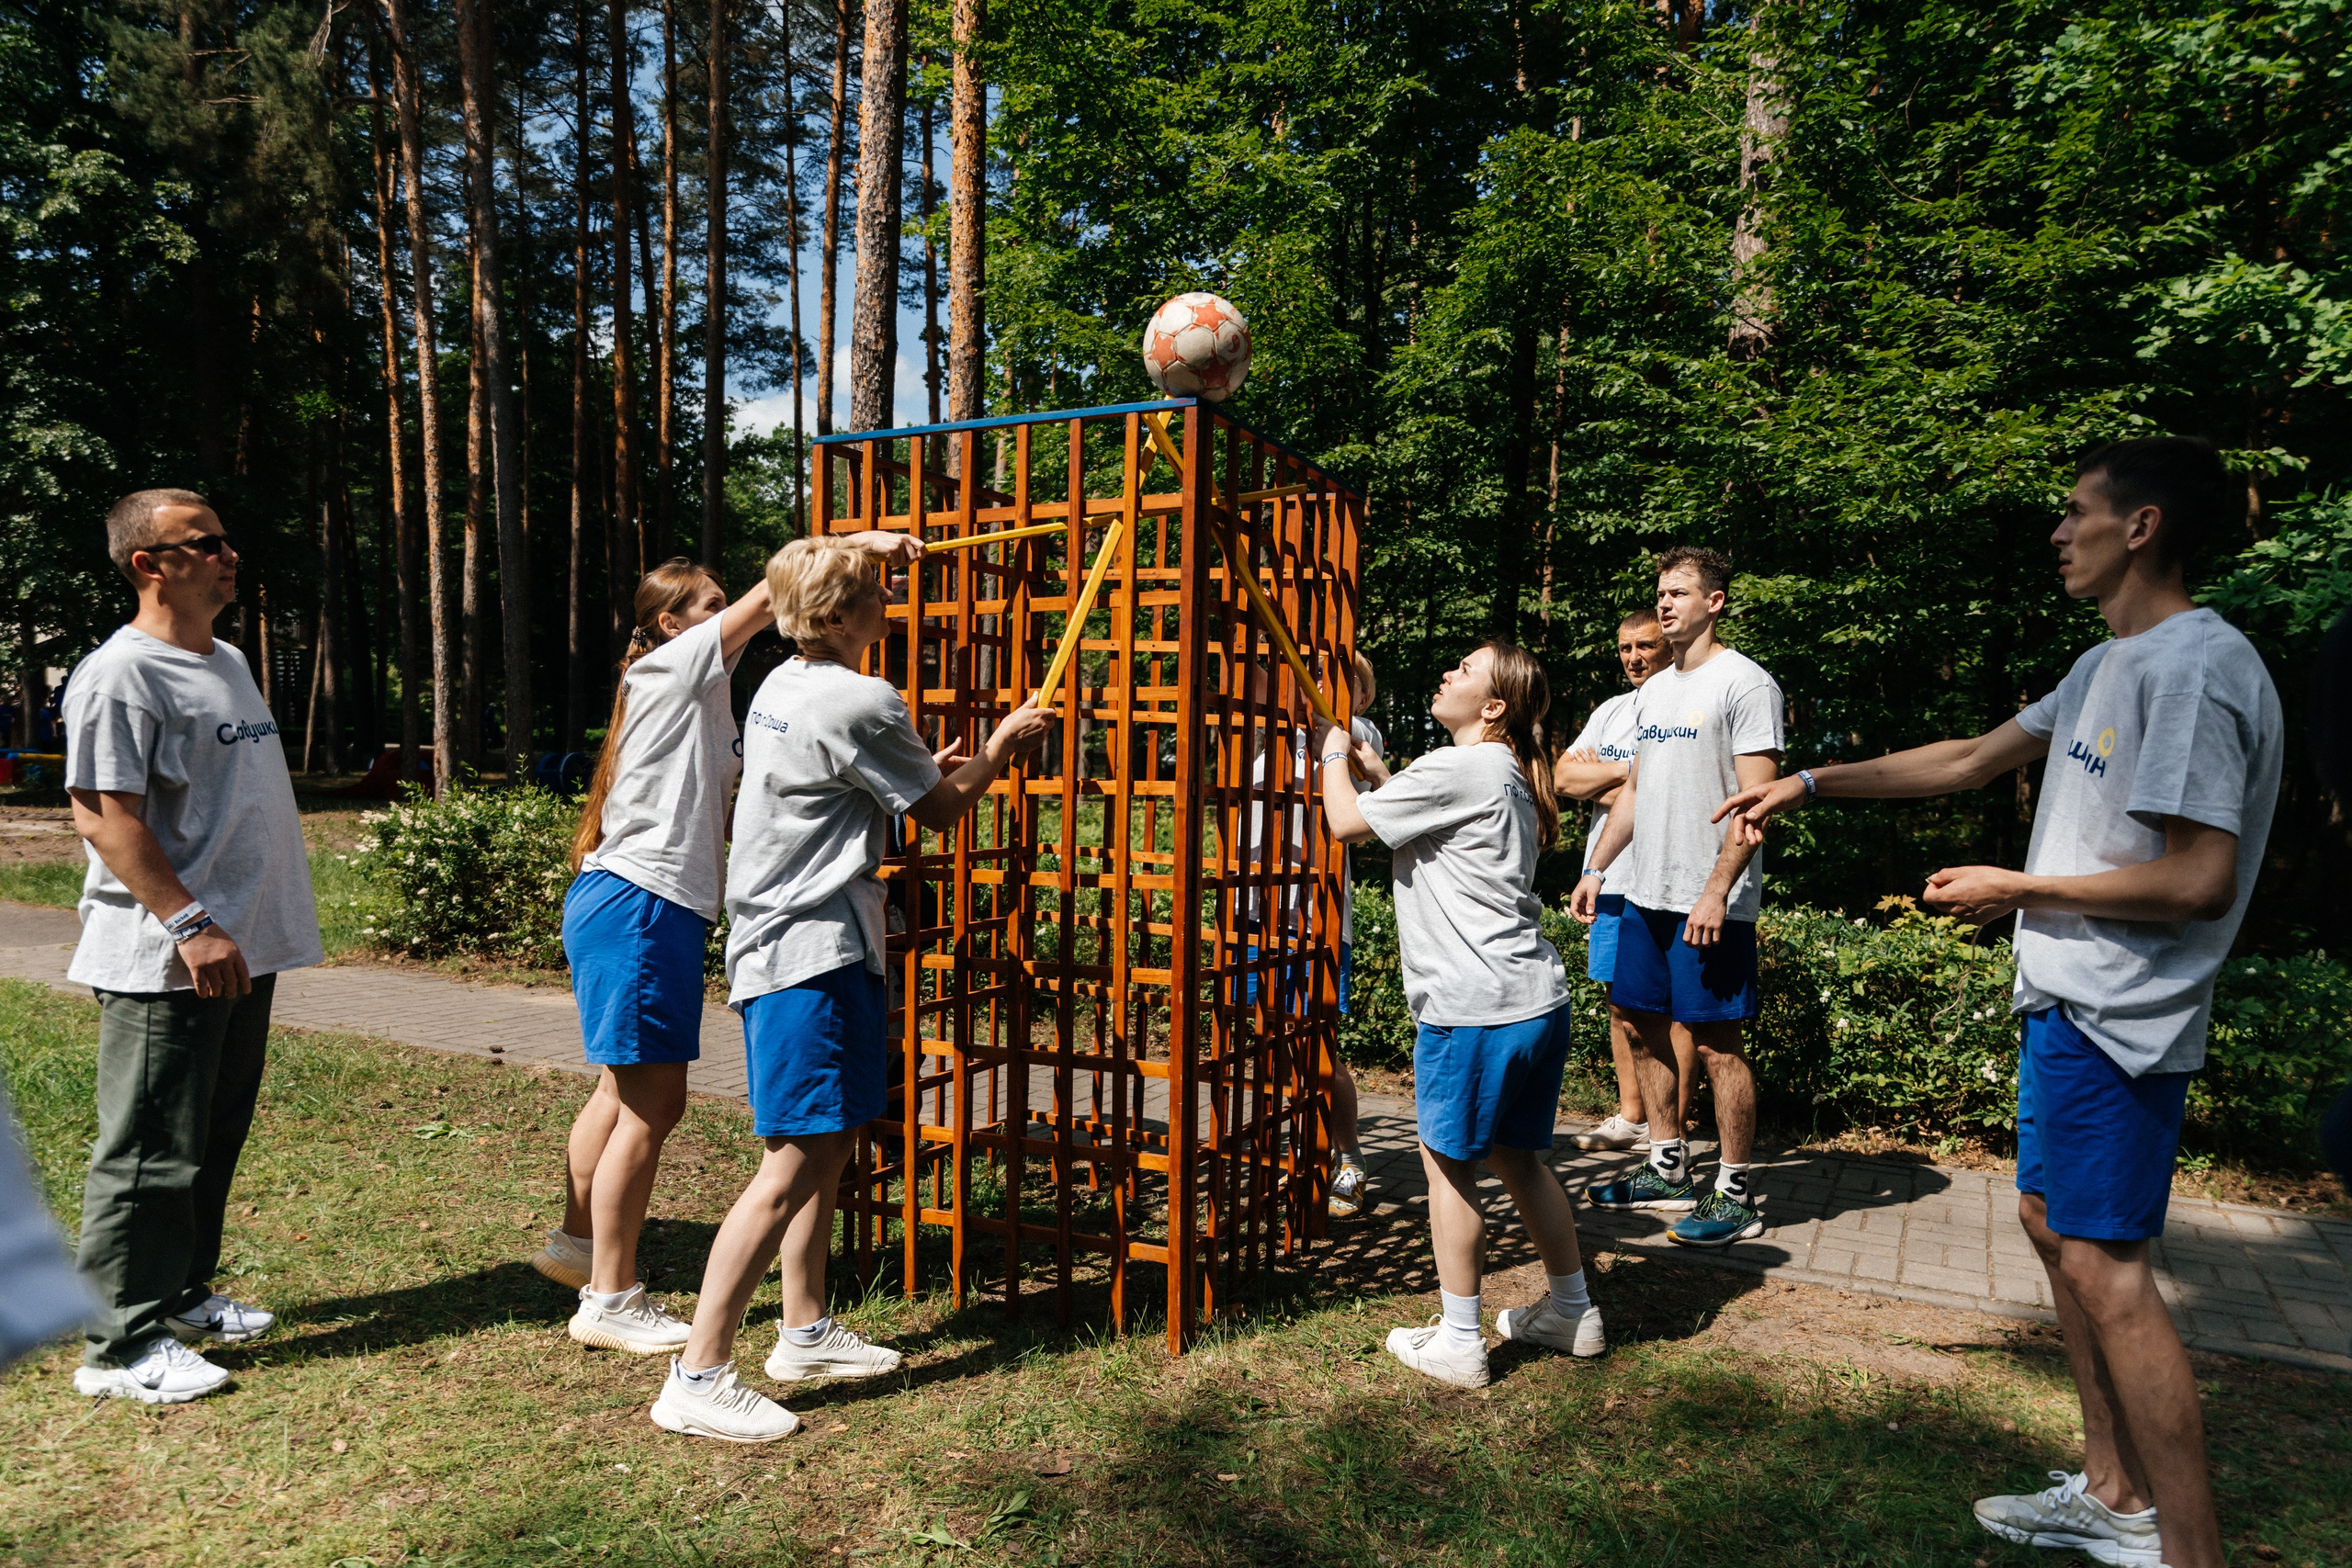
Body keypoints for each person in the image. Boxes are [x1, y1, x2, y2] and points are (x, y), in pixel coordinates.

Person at [1719, 435, 2278, 1568]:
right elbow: (1971, 758)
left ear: (2143, 525)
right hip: (2067, 1005)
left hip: (2122, 1016)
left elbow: (2196, 879)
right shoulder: (2101, 667)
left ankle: (2187, 1553)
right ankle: (2113, 1494)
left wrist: (2018, 885)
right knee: (2051, 1232)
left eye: (2076, 513)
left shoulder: (2193, 668)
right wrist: (1812, 781)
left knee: (2106, 1271)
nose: (2057, 532)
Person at [648, 534, 1056, 1443]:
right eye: (875, 592)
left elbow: (854, 786)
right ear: (836, 616)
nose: (888, 602)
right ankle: (698, 1373)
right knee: (794, 1160)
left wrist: (920, 769)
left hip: (790, 943)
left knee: (827, 1149)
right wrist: (998, 749)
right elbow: (941, 815)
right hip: (811, 952)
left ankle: (803, 1329)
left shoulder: (779, 688)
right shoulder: (863, 697)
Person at [534, 540, 914, 1355]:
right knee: (652, 1102)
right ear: (670, 625)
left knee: (621, 1090)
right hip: (643, 902)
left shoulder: (707, 694)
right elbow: (778, 592)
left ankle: (579, 1250)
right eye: (708, 606)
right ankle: (609, 1293)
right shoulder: (669, 670)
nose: (728, 616)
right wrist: (855, 546)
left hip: (645, 903)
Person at [63, 489, 323, 1403]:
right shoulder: (120, 674)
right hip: (167, 957)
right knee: (147, 1151)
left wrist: (235, 933)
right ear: (150, 564)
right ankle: (119, 1347)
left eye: (225, 537)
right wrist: (191, 924)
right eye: (203, 542)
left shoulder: (229, 661)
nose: (229, 554)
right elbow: (103, 816)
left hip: (242, 951)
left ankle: (179, 1295)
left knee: (211, 1133)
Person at [1313, 640, 1604, 1389]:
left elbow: (1346, 825)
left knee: (1447, 1166)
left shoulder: (1463, 766)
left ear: (1495, 706)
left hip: (1473, 1008)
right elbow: (1418, 815)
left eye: (1465, 671)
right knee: (1517, 1157)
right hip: (1534, 999)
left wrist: (1331, 749)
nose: (1447, 674)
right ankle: (1574, 1310)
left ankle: (1461, 1341)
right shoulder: (1503, 770)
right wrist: (1378, 771)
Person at [1571, 547, 1782, 1248]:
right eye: (1660, 592)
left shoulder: (1745, 684)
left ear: (1714, 602)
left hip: (1708, 899)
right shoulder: (1653, 691)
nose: (1665, 603)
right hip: (1644, 893)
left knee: (1720, 1047)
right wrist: (1599, 869)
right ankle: (1667, 1168)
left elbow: (1757, 803)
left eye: (1679, 593)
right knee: (1637, 1022)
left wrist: (1718, 890)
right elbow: (1633, 789)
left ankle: (1737, 1190)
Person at [1554, 607, 1685, 1153]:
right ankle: (1631, 1116)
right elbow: (1563, 776)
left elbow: (1674, 790)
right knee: (1620, 1002)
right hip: (1611, 876)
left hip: (1666, 878)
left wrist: (1604, 778)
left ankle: (1669, 1125)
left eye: (1646, 646)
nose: (1634, 658)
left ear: (1668, 645)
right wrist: (1630, 774)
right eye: (1625, 648)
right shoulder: (1611, 711)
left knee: (1674, 1008)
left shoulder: (1682, 704)